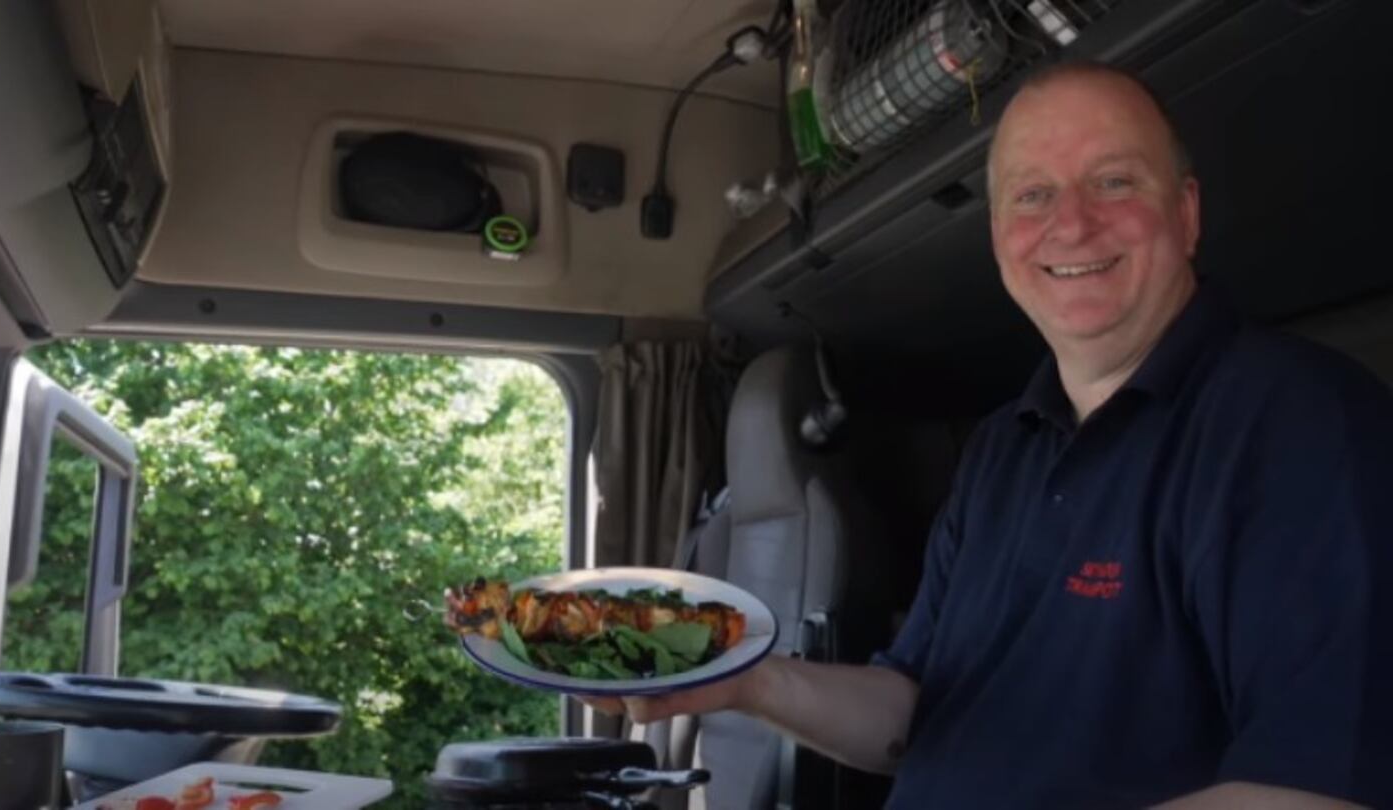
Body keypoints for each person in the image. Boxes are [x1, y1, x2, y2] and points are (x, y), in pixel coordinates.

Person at [584, 61, 1393, 809]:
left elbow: (1319, 789)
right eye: (1031, 196)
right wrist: (743, 683)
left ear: (1185, 214)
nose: (1070, 225)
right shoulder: (1005, 445)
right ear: (1000, 234)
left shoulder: (1303, 425)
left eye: (1114, 181)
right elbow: (911, 708)